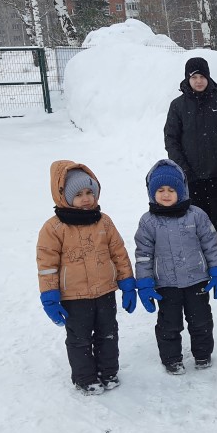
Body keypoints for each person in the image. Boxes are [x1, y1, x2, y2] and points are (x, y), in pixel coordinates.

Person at [36, 161, 136, 395]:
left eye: (89, 192)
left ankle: (108, 372)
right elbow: (47, 265)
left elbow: (119, 253)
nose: (86, 199)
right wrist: (49, 295)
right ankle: (85, 378)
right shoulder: (54, 228)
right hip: (74, 296)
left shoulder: (104, 221)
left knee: (108, 334)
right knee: (79, 338)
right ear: (64, 197)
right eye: (78, 194)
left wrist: (127, 283)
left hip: (105, 291)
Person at [134, 159, 217, 375]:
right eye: (160, 190)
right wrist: (145, 282)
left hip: (197, 280)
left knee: (201, 321)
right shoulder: (148, 222)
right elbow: (144, 255)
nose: (166, 194)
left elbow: (211, 244)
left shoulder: (196, 215)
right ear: (152, 193)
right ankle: (171, 359)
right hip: (166, 284)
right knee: (169, 324)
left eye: (171, 190)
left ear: (181, 191)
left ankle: (203, 354)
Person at [164, 57, 217, 262]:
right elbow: (171, 139)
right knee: (195, 215)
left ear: (208, 77)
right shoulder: (178, 106)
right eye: (194, 77)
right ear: (187, 79)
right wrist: (183, 167)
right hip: (191, 173)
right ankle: (198, 251)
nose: (198, 81)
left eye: (202, 76)